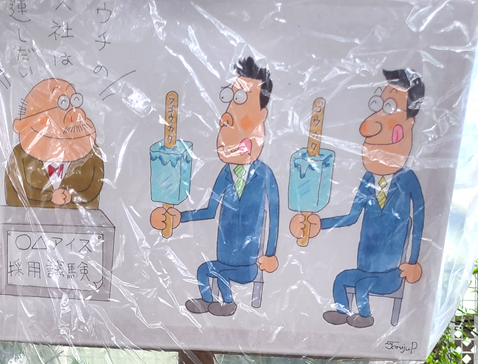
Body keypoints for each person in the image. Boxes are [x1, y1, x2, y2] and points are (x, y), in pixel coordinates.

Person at [290, 68, 425, 328]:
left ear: (409, 123)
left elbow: (418, 220)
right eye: (378, 105)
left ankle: (364, 316)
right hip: (366, 265)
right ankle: (342, 312)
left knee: (363, 286)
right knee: (342, 279)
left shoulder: (408, 179)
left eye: (389, 107)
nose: (367, 127)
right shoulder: (367, 179)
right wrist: (319, 224)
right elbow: (352, 217)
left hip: (391, 273)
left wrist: (412, 262)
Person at [150, 56, 280, 317]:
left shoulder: (265, 175)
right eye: (231, 98)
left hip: (248, 263)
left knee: (220, 274)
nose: (225, 118)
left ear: (261, 116)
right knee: (204, 270)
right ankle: (209, 302)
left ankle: (227, 303)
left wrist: (270, 254)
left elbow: (274, 216)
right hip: (224, 255)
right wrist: (179, 217)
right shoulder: (225, 174)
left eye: (240, 99)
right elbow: (210, 210)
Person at [5, 78, 104, 209]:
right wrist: (50, 196)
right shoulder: (19, 155)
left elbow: (93, 186)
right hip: (26, 218)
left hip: (80, 220)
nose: (75, 115)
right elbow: (17, 187)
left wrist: (71, 196)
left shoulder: (91, 155)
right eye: (63, 104)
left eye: (75, 101)